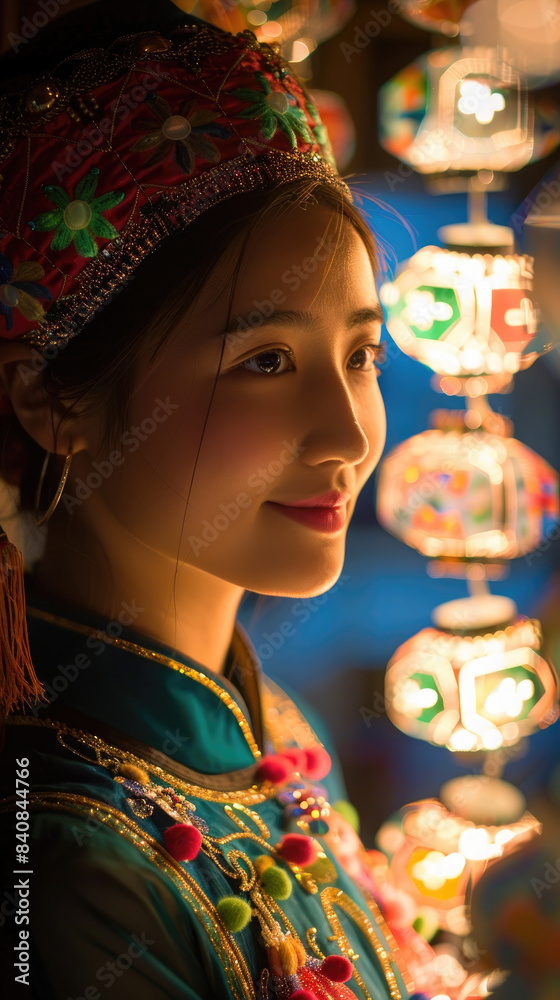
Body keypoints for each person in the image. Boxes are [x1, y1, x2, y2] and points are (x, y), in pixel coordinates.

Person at [0, 1, 418, 997]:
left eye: (360, 355)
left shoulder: (280, 732)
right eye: (265, 360)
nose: (349, 435)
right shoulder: (67, 863)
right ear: (53, 400)